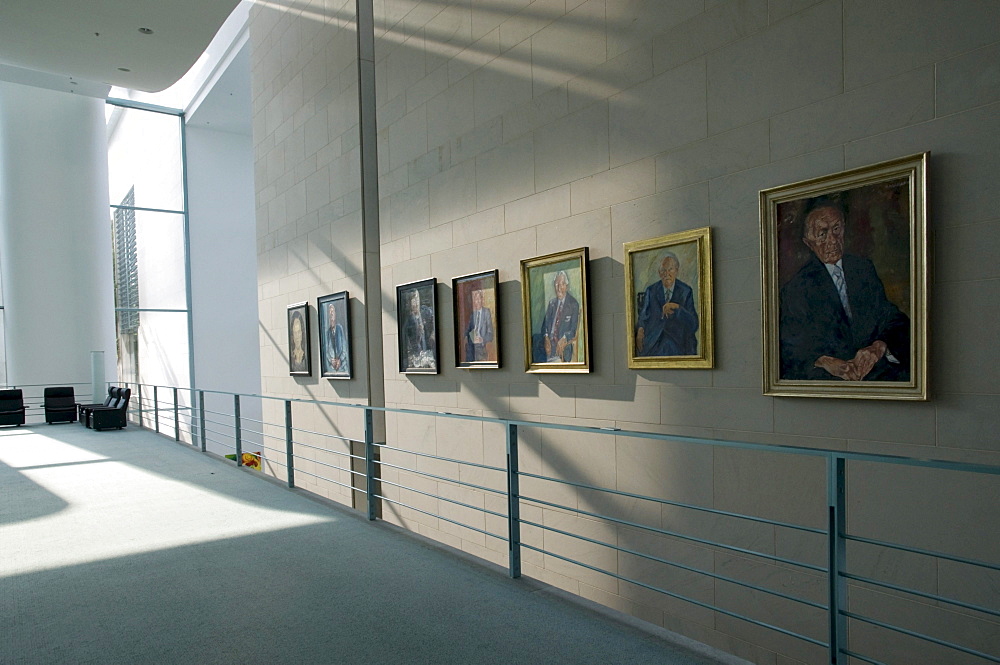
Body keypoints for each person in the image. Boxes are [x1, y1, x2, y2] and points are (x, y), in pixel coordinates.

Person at [779, 197, 910, 381]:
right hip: (830, 383)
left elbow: (893, 320)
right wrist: (824, 361)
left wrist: (879, 346)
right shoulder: (797, 288)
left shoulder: (863, 269)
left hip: (879, 374)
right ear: (809, 242)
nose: (832, 240)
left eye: (836, 229)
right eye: (822, 234)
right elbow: (790, 348)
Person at [635, 252, 698, 356]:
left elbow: (694, 324)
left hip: (678, 342)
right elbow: (643, 316)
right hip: (655, 341)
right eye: (663, 270)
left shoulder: (686, 291)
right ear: (659, 273)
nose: (667, 274)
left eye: (670, 269)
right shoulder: (651, 291)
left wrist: (677, 307)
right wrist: (640, 329)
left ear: (676, 271)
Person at [540, 270, 579, 362]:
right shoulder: (552, 303)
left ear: (566, 286)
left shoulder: (573, 304)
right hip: (549, 346)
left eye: (561, 284)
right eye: (556, 285)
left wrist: (564, 338)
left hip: (563, 347)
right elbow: (544, 326)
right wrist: (546, 337)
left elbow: (573, 330)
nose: (559, 288)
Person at [401, 290, 436, 369]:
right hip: (417, 357)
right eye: (412, 300)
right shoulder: (409, 321)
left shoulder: (425, 312)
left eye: (416, 299)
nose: (415, 303)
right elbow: (413, 343)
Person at [464, 289, 494, 362]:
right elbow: (468, 330)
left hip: (481, 345)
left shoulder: (486, 312)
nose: (477, 301)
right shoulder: (473, 314)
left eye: (478, 299)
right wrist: (464, 337)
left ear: (482, 300)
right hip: (472, 345)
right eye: (475, 299)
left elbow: (490, 333)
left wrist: (482, 339)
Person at [322, 302, 349, 375]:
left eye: (332, 311)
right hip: (331, 367)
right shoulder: (327, 333)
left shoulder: (340, 329)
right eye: (329, 312)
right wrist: (331, 360)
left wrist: (340, 360)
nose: (331, 314)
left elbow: (344, 348)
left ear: (335, 314)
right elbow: (326, 351)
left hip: (342, 366)